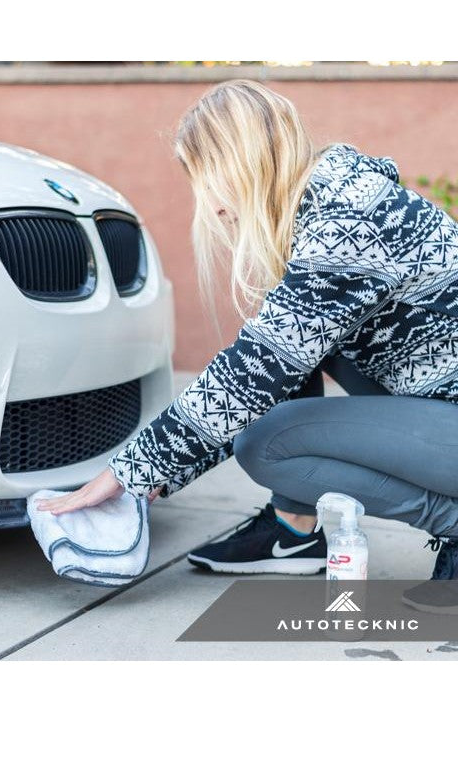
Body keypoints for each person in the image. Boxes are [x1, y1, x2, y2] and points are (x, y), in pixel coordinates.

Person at [36, 78, 458, 606]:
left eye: (208, 180)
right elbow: (270, 368)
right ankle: (295, 526)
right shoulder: (334, 203)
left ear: (240, 164)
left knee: (266, 443)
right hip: (440, 405)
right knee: (294, 358)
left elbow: (253, 373)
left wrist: (126, 475)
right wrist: (157, 478)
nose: (212, 208)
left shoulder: (348, 223)